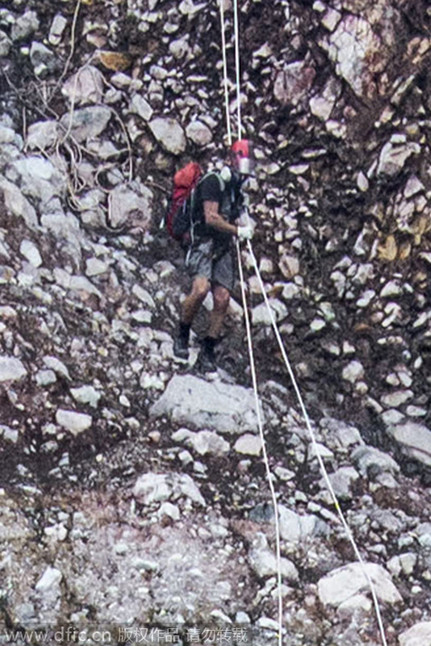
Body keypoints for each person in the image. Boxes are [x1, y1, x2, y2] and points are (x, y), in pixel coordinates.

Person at [173, 139, 255, 371]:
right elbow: (211, 217)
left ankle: (208, 349)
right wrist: (238, 231)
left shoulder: (235, 190)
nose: (244, 174)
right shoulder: (213, 182)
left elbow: (236, 214)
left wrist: (243, 224)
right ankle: (182, 333)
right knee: (200, 289)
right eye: (242, 167)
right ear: (231, 161)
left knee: (223, 298)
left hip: (222, 246)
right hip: (202, 242)